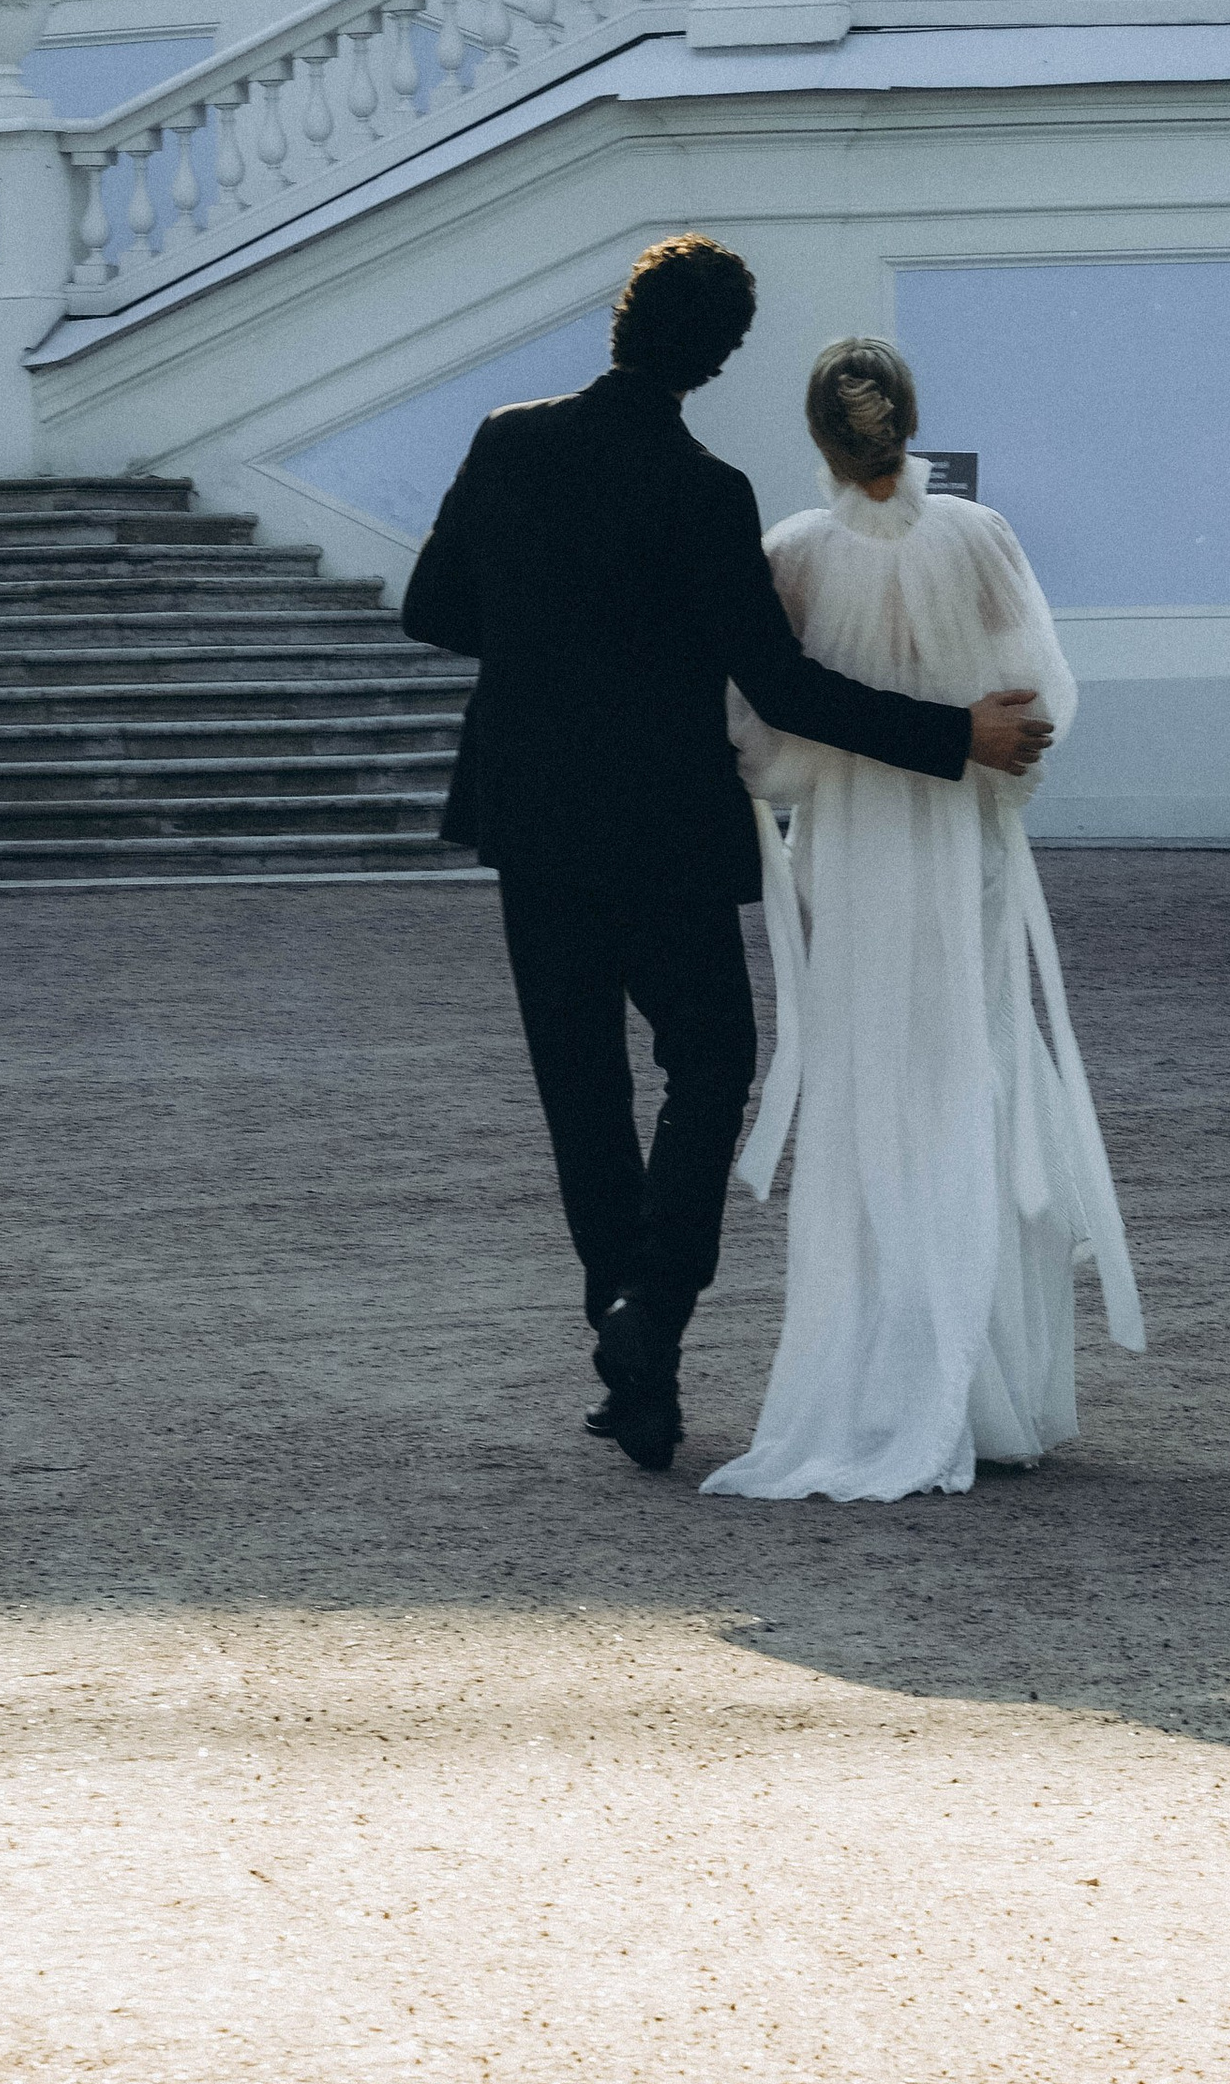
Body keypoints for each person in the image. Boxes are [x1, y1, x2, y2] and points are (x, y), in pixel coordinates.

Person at [400, 236, 1051, 1473]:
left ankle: (628, 1332)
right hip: (666, 830)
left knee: (578, 1080)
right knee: (710, 1062)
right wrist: (954, 736)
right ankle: (659, 1308)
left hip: (532, 819)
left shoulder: (506, 440)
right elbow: (783, 686)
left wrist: (545, 638)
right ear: (717, 358)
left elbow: (432, 610)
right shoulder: (706, 491)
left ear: (620, 321)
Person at [702, 337, 1143, 1504]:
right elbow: (1036, 709)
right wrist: (979, 761)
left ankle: (881, 1375)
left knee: (865, 1093)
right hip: (959, 853)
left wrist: (828, 771)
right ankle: (992, 1384)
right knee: (973, 1077)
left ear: (819, 438)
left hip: (848, 858)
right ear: (909, 421)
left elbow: (760, 745)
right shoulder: (980, 539)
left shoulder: (789, 556)